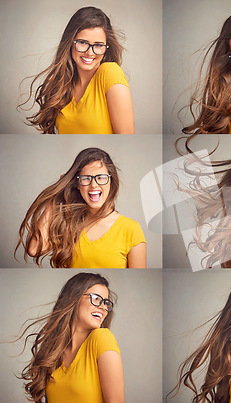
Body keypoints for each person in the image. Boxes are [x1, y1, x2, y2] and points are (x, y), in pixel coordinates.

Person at [17, 147, 146, 268]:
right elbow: (34, 250)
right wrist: (57, 195)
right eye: (86, 178)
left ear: (111, 182)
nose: (94, 185)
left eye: (101, 178)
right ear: (77, 184)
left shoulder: (131, 229)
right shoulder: (69, 223)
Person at [19, 6, 134, 134]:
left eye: (98, 45)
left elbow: (127, 134)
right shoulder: (62, 86)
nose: (90, 52)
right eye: (82, 42)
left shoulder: (111, 73)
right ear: (70, 43)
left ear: (107, 47)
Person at [16, 272, 124, 403]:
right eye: (96, 298)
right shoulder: (54, 354)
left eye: (106, 302)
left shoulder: (102, 338)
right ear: (74, 298)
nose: (102, 307)